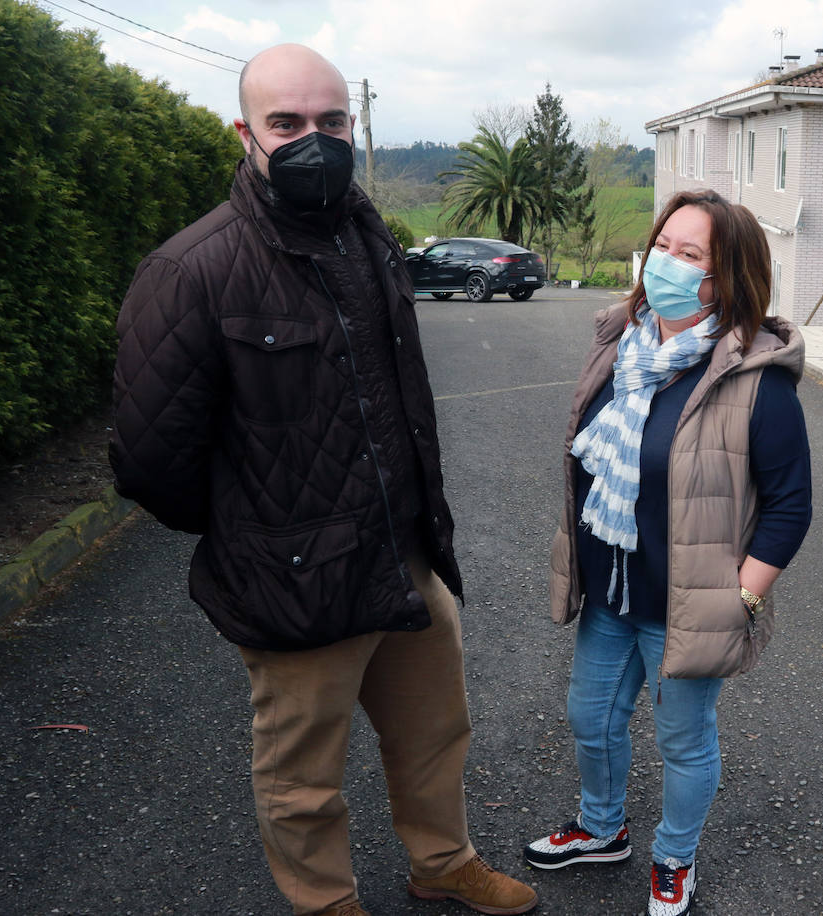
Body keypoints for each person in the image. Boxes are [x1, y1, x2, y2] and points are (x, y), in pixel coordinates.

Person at [109, 44, 537, 916]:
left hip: (402, 550)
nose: (316, 140)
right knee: (302, 774)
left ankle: (442, 862)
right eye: (288, 123)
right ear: (246, 134)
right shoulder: (191, 270)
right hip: (292, 578)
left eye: (332, 122)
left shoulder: (366, 234)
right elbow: (152, 461)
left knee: (434, 734)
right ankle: (324, 902)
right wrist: (258, 529)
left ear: (355, 126)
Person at [525, 189, 813, 915]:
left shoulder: (754, 379)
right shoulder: (622, 346)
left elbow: (789, 507)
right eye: (664, 246)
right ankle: (602, 828)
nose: (668, 264)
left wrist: (740, 596)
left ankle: (674, 858)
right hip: (611, 590)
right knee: (590, 717)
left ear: (729, 279)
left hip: (687, 605)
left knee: (684, 741)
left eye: (692, 256)